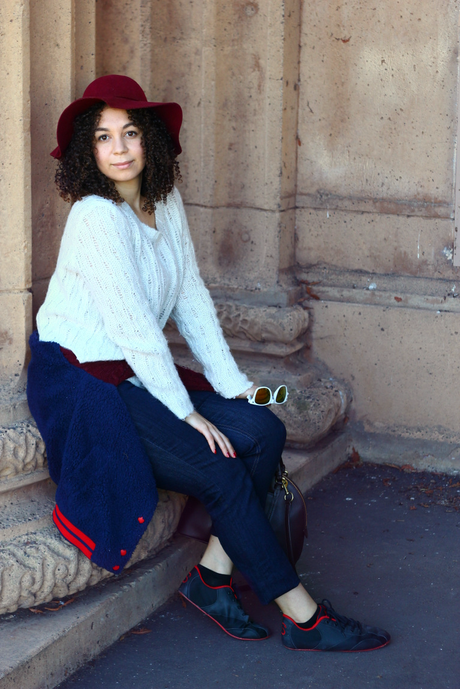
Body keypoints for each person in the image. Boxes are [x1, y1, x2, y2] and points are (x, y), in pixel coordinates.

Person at [30, 75, 390, 652]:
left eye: (129, 133)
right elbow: (132, 327)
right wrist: (185, 413)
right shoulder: (94, 217)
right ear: (87, 151)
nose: (118, 148)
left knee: (263, 426)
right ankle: (304, 618)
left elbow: (191, 298)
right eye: (102, 137)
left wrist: (234, 388)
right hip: (85, 377)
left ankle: (211, 578)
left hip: (135, 367)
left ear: (149, 139)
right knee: (220, 467)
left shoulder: (163, 203)